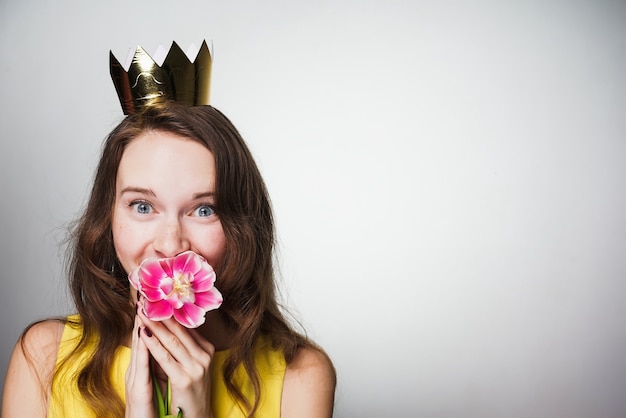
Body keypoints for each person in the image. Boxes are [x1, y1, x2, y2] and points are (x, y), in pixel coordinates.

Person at [1, 102, 336, 417]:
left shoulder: (300, 375)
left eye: (204, 210)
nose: (170, 244)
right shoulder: (44, 356)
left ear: (242, 226)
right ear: (108, 217)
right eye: (142, 206)